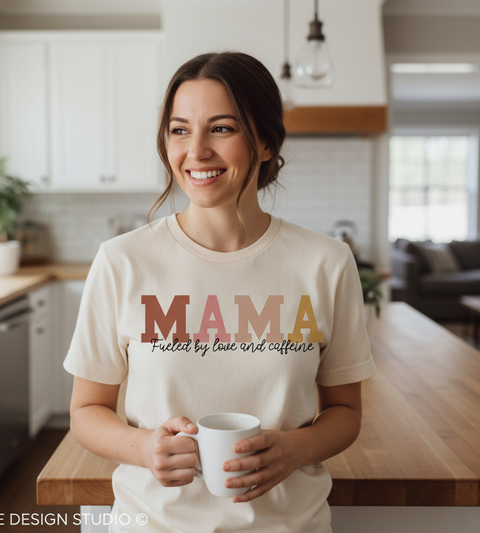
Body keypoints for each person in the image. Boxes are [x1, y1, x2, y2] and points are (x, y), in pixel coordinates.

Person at [64, 51, 376, 533]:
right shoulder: (121, 261)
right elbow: (87, 411)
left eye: (223, 128)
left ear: (266, 141)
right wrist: (144, 447)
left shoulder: (325, 263)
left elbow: (346, 411)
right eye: (180, 129)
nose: (197, 151)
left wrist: (296, 449)